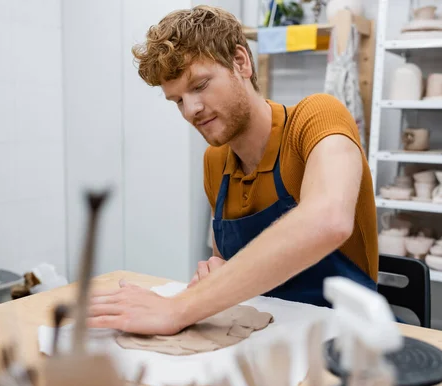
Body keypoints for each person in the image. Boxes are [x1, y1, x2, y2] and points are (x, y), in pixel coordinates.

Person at [87, 6, 378, 336]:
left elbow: (327, 220)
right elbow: (227, 266)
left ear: (241, 62)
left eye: (200, 85)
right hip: (265, 341)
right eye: (178, 100)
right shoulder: (215, 161)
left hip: (348, 345)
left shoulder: (316, 118)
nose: (191, 110)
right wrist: (215, 272)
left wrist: (178, 308)